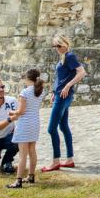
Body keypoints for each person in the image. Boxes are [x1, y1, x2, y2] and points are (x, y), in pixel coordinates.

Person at [41, 34, 87, 172]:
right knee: (64, 127)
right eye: (55, 46)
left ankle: (56, 161)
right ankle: (70, 159)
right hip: (60, 95)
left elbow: (82, 72)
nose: (57, 48)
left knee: (51, 129)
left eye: (59, 45)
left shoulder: (69, 56)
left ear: (65, 44)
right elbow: (60, 77)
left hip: (63, 96)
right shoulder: (63, 57)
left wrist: (68, 86)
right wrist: (54, 92)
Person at [6, 69, 46, 188]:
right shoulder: (40, 91)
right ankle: (31, 176)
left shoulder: (25, 92)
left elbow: (21, 111)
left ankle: (18, 181)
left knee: (22, 154)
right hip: (35, 123)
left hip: (24, 124)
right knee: (32, 151)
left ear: (28, 79)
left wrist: (12, 112)